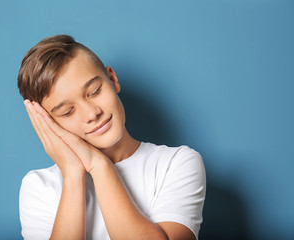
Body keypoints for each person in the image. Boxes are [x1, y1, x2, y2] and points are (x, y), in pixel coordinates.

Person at [17, 35, 206, 240]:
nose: (92, 113)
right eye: (67, 112)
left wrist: (100, 166)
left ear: (112, 79)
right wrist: (72, 175)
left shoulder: (176, 163)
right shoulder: (38, 187)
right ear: (46, 123)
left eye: (95, 91)